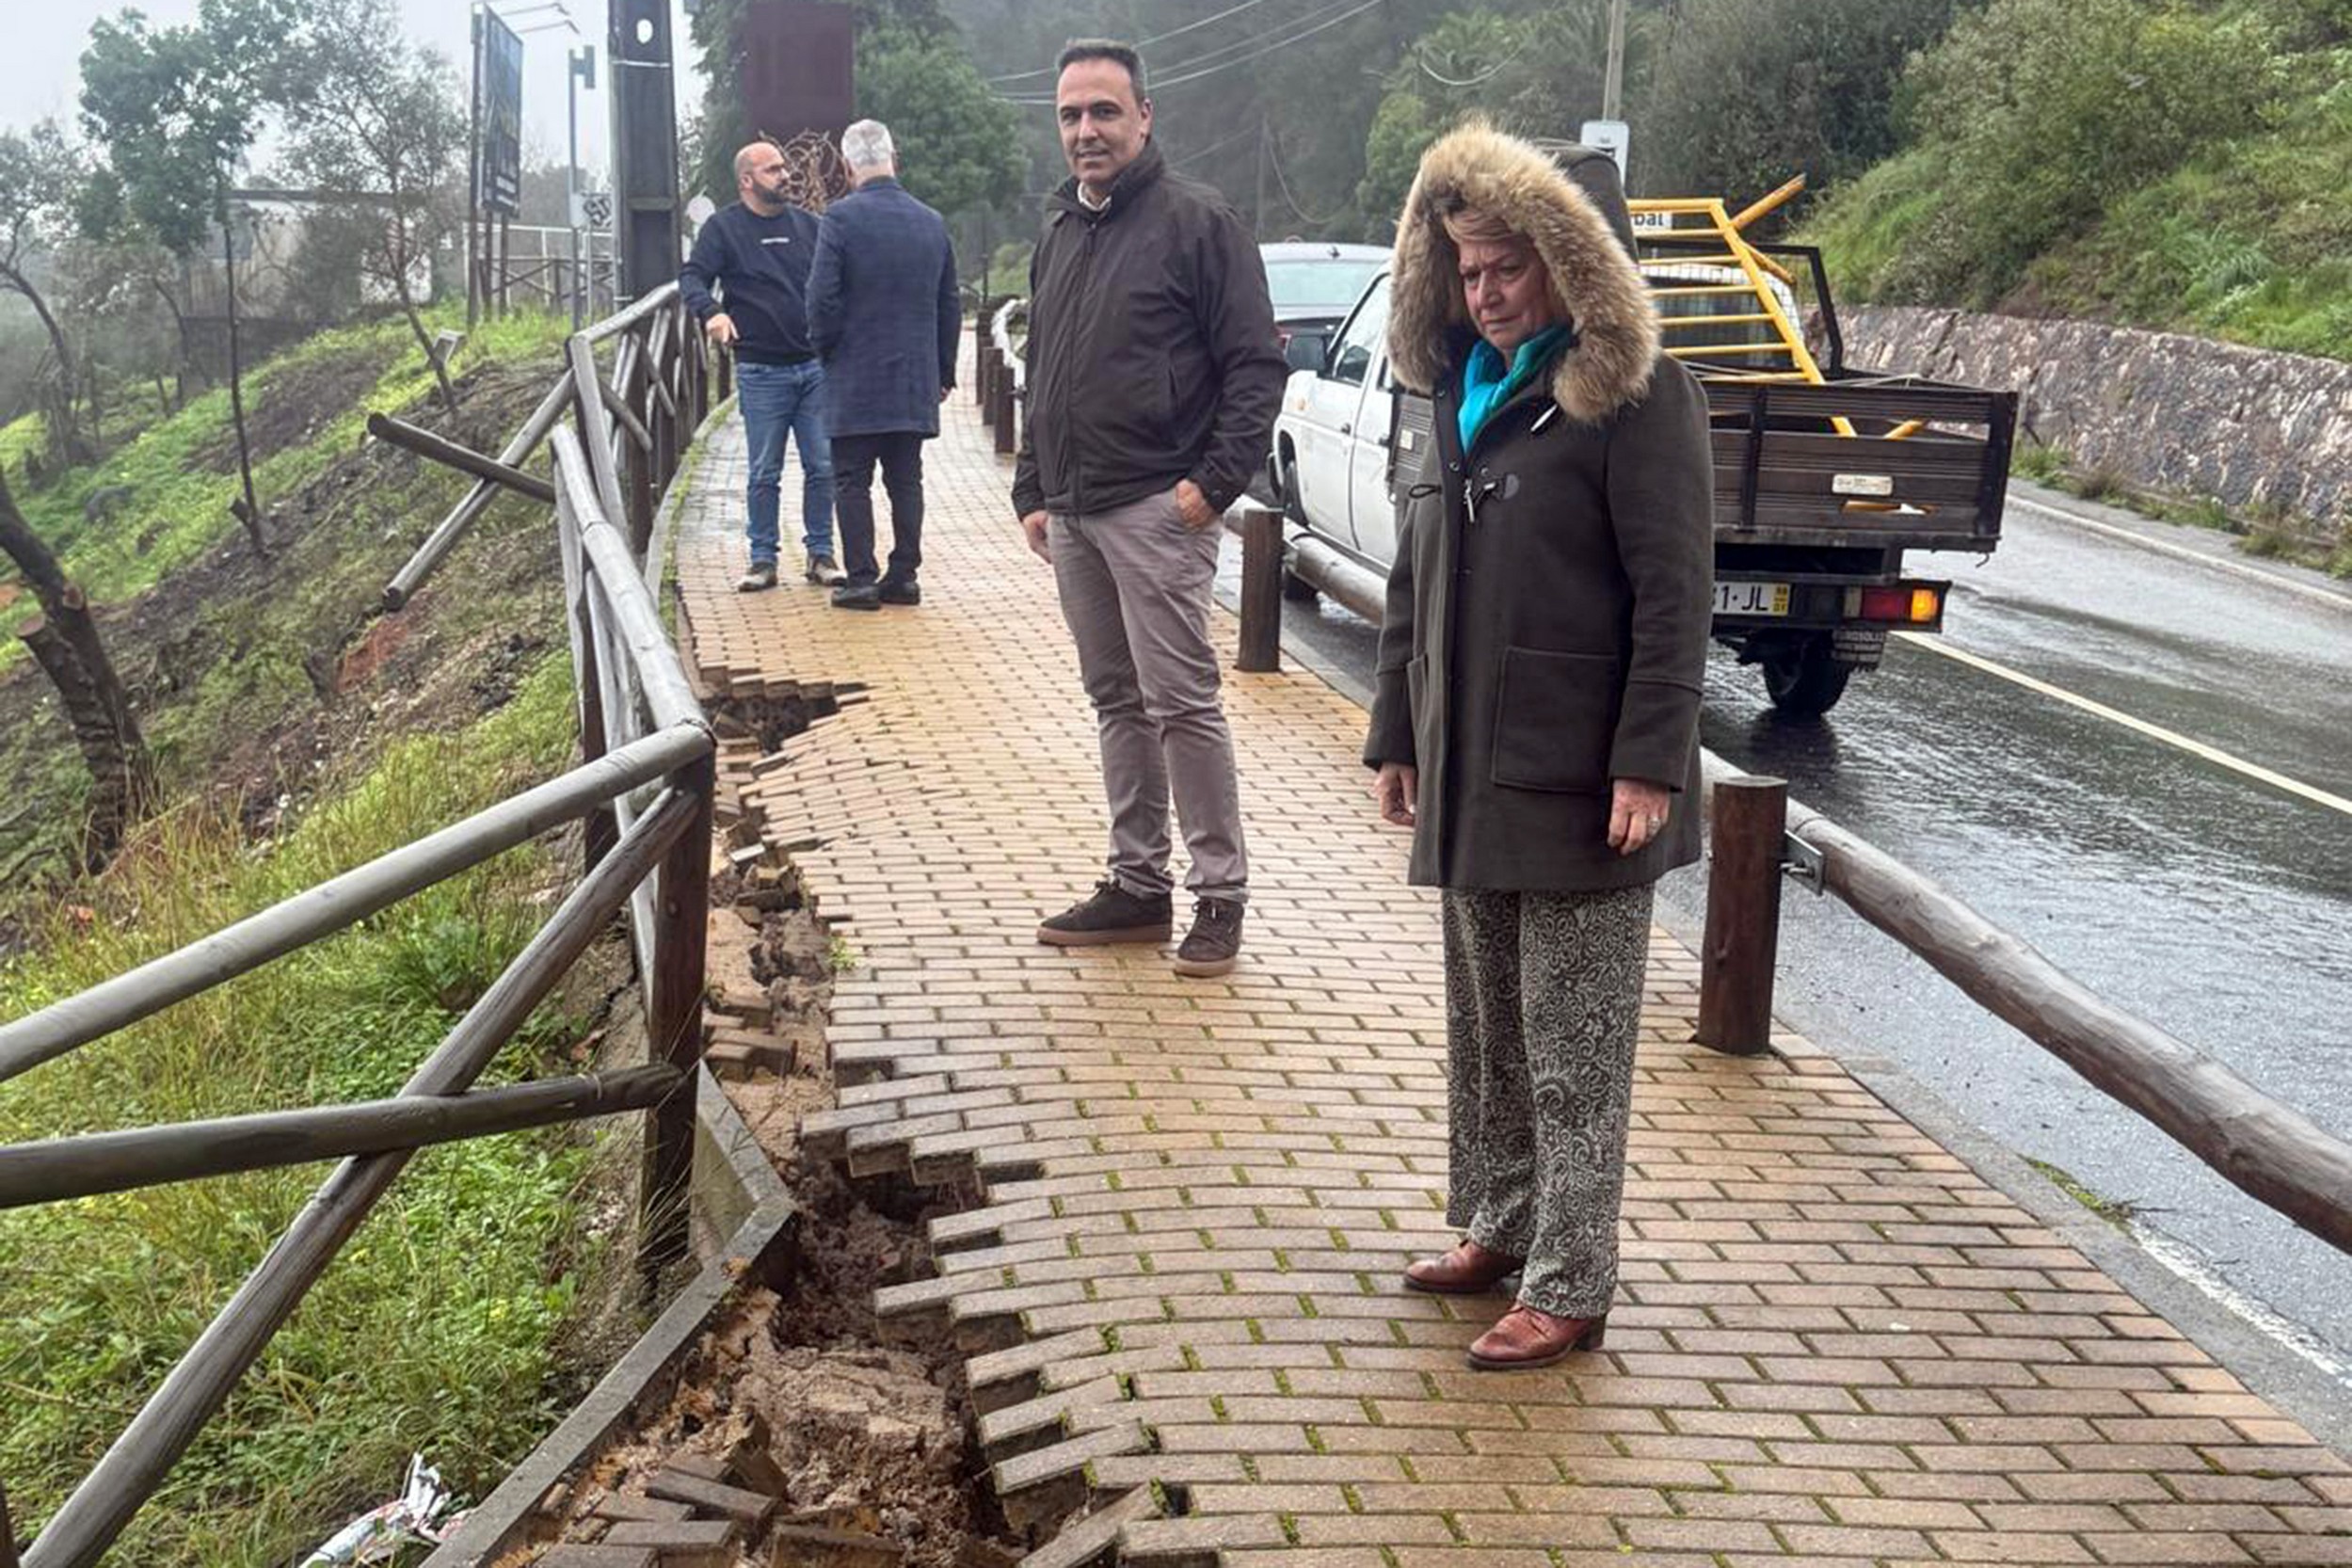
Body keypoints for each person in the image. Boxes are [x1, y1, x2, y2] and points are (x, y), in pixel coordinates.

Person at [1363, 124, 1714, 1369]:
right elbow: (1418, 569)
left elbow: (1673, 588)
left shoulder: (1633, 393)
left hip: (1582, 778)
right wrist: (1395, 731)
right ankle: (1498, 1224)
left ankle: (1571, 1278)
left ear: (1576, 266)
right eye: (1464, 270)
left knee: (1575, 1043)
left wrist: (1648, 760)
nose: (1485, 291)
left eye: (1508, 264)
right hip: (1469, 770)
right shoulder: (1462, 391)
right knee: (1486, 1027)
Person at [1014, 40, 1287, 980]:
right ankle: (1138, 885)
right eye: (1070, 116)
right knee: (1115, 700)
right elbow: (1042, 363)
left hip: (1157, 505)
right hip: (1076, 511)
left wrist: (1213, 486)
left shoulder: (1197, 222)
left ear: (1143, 117)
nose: (1086, 131)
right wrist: (1030, 485)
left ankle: (1221, 895)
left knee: (1182, 703)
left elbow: (1256, 365)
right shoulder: (1059, 229)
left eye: (1102, 112)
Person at [806, 120, 962, 611]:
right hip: (914, 377)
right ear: (894, 157)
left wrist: (825, 350)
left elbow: (822, 297)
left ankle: (861, 579)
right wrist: (943, 370)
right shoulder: (931, 221)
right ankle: (904, 575)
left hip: (855, 375)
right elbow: (948, 303)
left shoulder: (840, 220)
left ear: (849, 165)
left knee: (852, 478)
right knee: (905, 478)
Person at [680, 140, 842, 592]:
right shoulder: (722, 229)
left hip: (813, 367)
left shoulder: (811, 227)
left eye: (784, 167)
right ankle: (762, 558)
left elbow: (837, 280)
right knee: (764, 470)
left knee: (823, 465)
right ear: (747, 180)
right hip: (760, 369)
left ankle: (821, 554)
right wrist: (711, 312)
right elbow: (692, 276)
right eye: (772, 169)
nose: (785, 174)